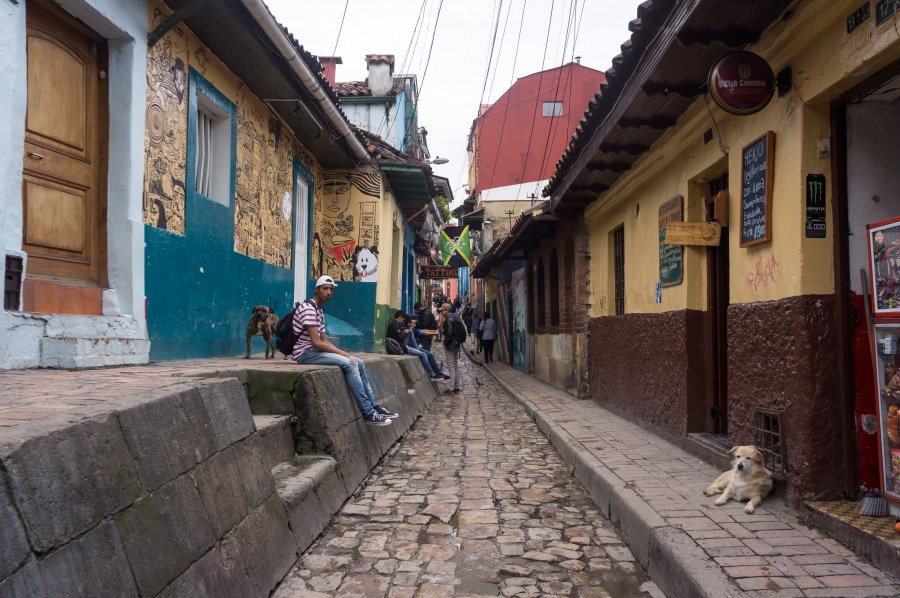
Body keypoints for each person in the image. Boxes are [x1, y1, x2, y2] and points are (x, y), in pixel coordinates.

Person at [293, 276, 397, 426]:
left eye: (331, 289)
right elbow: (316, 343)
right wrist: (342, 354)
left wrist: (342, 352)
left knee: (359, 362)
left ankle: (375, 407)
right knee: (351, 364)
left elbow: (324, 340)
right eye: (325, 288)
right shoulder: (308, 309)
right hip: (305, 353)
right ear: (316, 290)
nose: (329, 292)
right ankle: (368, 413)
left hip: (314, 351)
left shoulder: (319, 311)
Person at [386, 311, 449, 381]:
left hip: (406, 345)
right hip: (401, 346)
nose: (414, 324)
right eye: (403, 320)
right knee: (423, 354)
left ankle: (439, 374)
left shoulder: (399, 325)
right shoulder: (394, 325)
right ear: (400, 317)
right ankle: (432, 374)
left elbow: (422, 331)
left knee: (430, 354)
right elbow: (399, 338)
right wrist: (405, 333)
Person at [439, 303, 462, 395]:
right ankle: (457, 387)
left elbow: (448, 333)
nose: (441, 312)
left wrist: (446, 343)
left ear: (446, 310)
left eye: (442, 310)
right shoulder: (456, 317)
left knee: (451, 366)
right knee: (455, 366)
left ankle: (452, 388)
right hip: (457, 345)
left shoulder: (448, 319)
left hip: (451, 345)